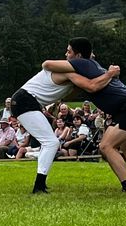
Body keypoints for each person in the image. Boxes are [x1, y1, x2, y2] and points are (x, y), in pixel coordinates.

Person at [43, 39, 126, 192]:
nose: (65, 55)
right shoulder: (91, 66)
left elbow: (47, 65)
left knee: (106, 146)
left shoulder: (83, 63)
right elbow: (75, 91)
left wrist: (67, 73)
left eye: (68, 52)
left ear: (79, 55)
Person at [11, 56, 119, 194]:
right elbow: (92, 86)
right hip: (25, 101)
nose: (66, 54)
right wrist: (109, 74)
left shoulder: (74, 71)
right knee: (51, 143)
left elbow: (69, 95)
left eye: (69, 51)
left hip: (27, 102)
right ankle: (39, 186)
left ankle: (40, 184)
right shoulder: (67, 69)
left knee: (49, 143)